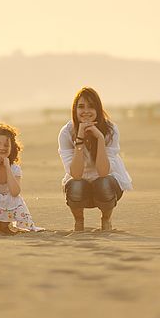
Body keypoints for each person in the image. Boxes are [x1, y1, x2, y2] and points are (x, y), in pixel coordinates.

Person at [57, 86, 133, 232]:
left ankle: (106, 220)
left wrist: (99, 138)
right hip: (81, 188)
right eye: (81, 107)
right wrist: (79, 138)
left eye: (91, 106)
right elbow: (76, 174)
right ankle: (79, 222)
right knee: (75, 184)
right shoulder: (66, 132)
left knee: (103, 182)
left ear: (98, 109)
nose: (86, 111)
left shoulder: (110, 129)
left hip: (106, 188)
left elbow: (104, 172)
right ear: (75, 110)